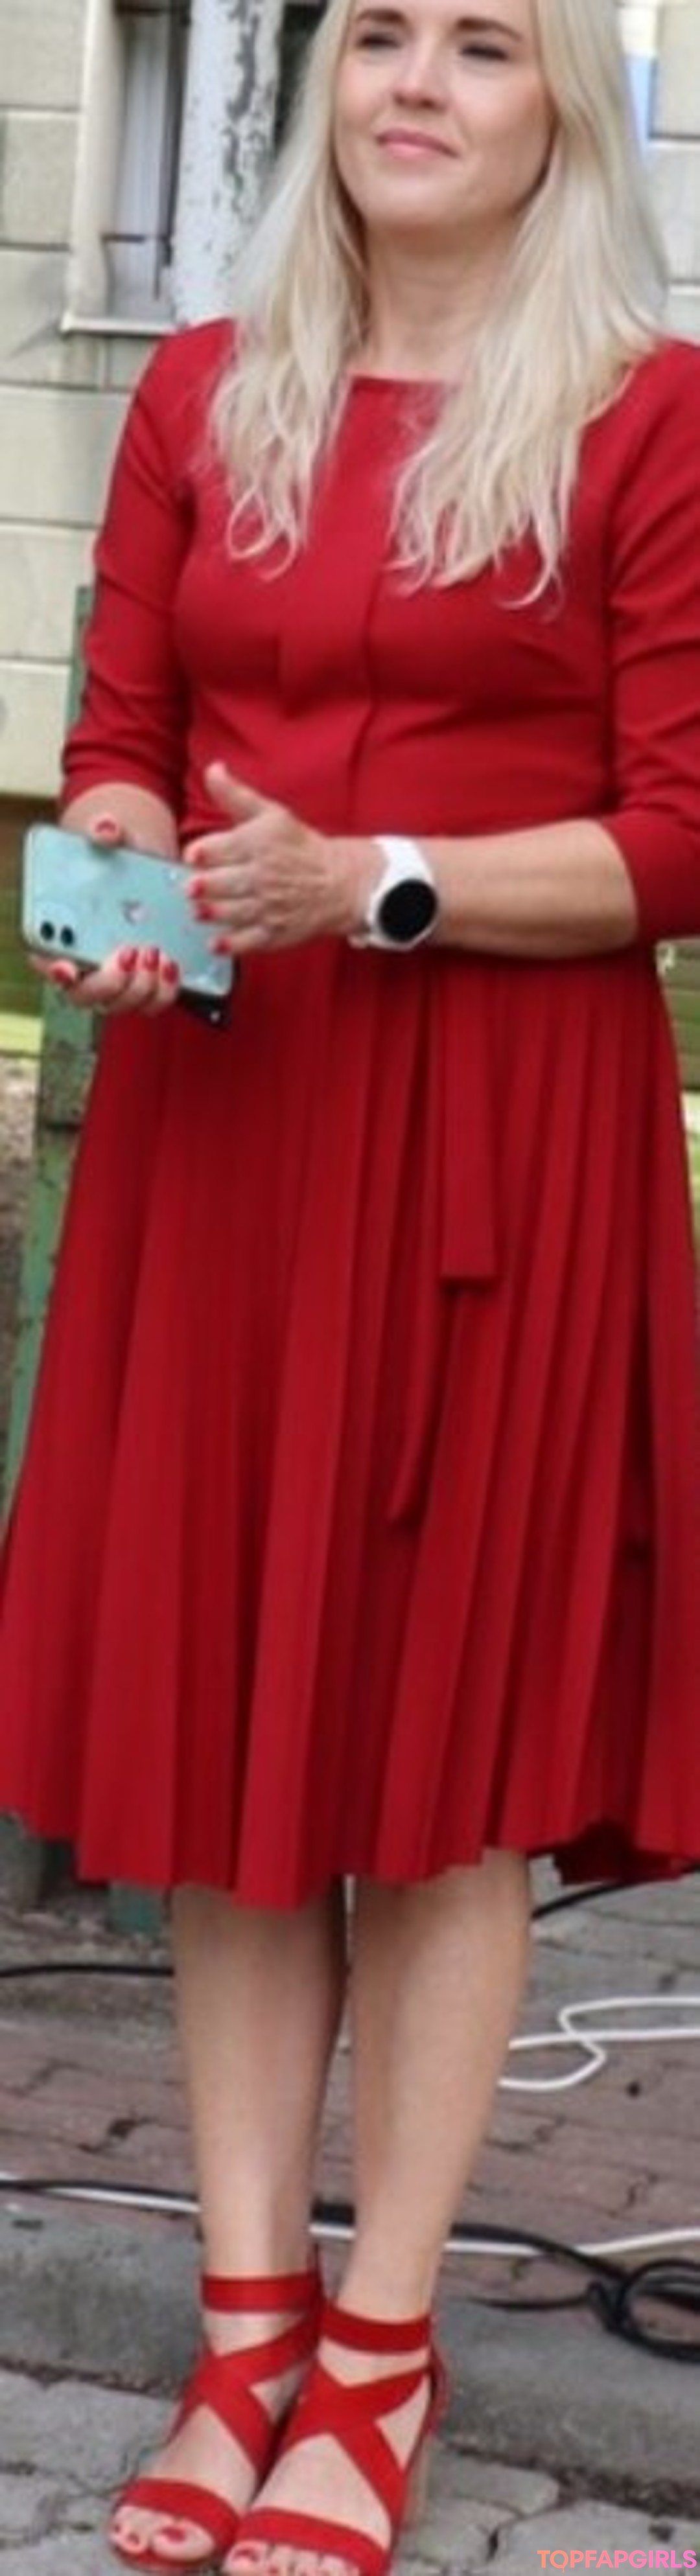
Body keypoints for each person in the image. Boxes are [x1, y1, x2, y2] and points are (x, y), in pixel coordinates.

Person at [2, 0, 700, 2566]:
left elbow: (679, 836)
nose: (414, 80)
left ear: (561, 118)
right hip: (230, 1115)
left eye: (482, 44)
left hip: (502, 1135)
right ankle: (243, 2332)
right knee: (227, 1737)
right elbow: (120, 721)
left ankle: (381, 2355)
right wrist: (108, 877)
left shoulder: (648, 417)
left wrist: (377, 880)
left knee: (437, 1757)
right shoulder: (207, 390)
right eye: (378, 33)